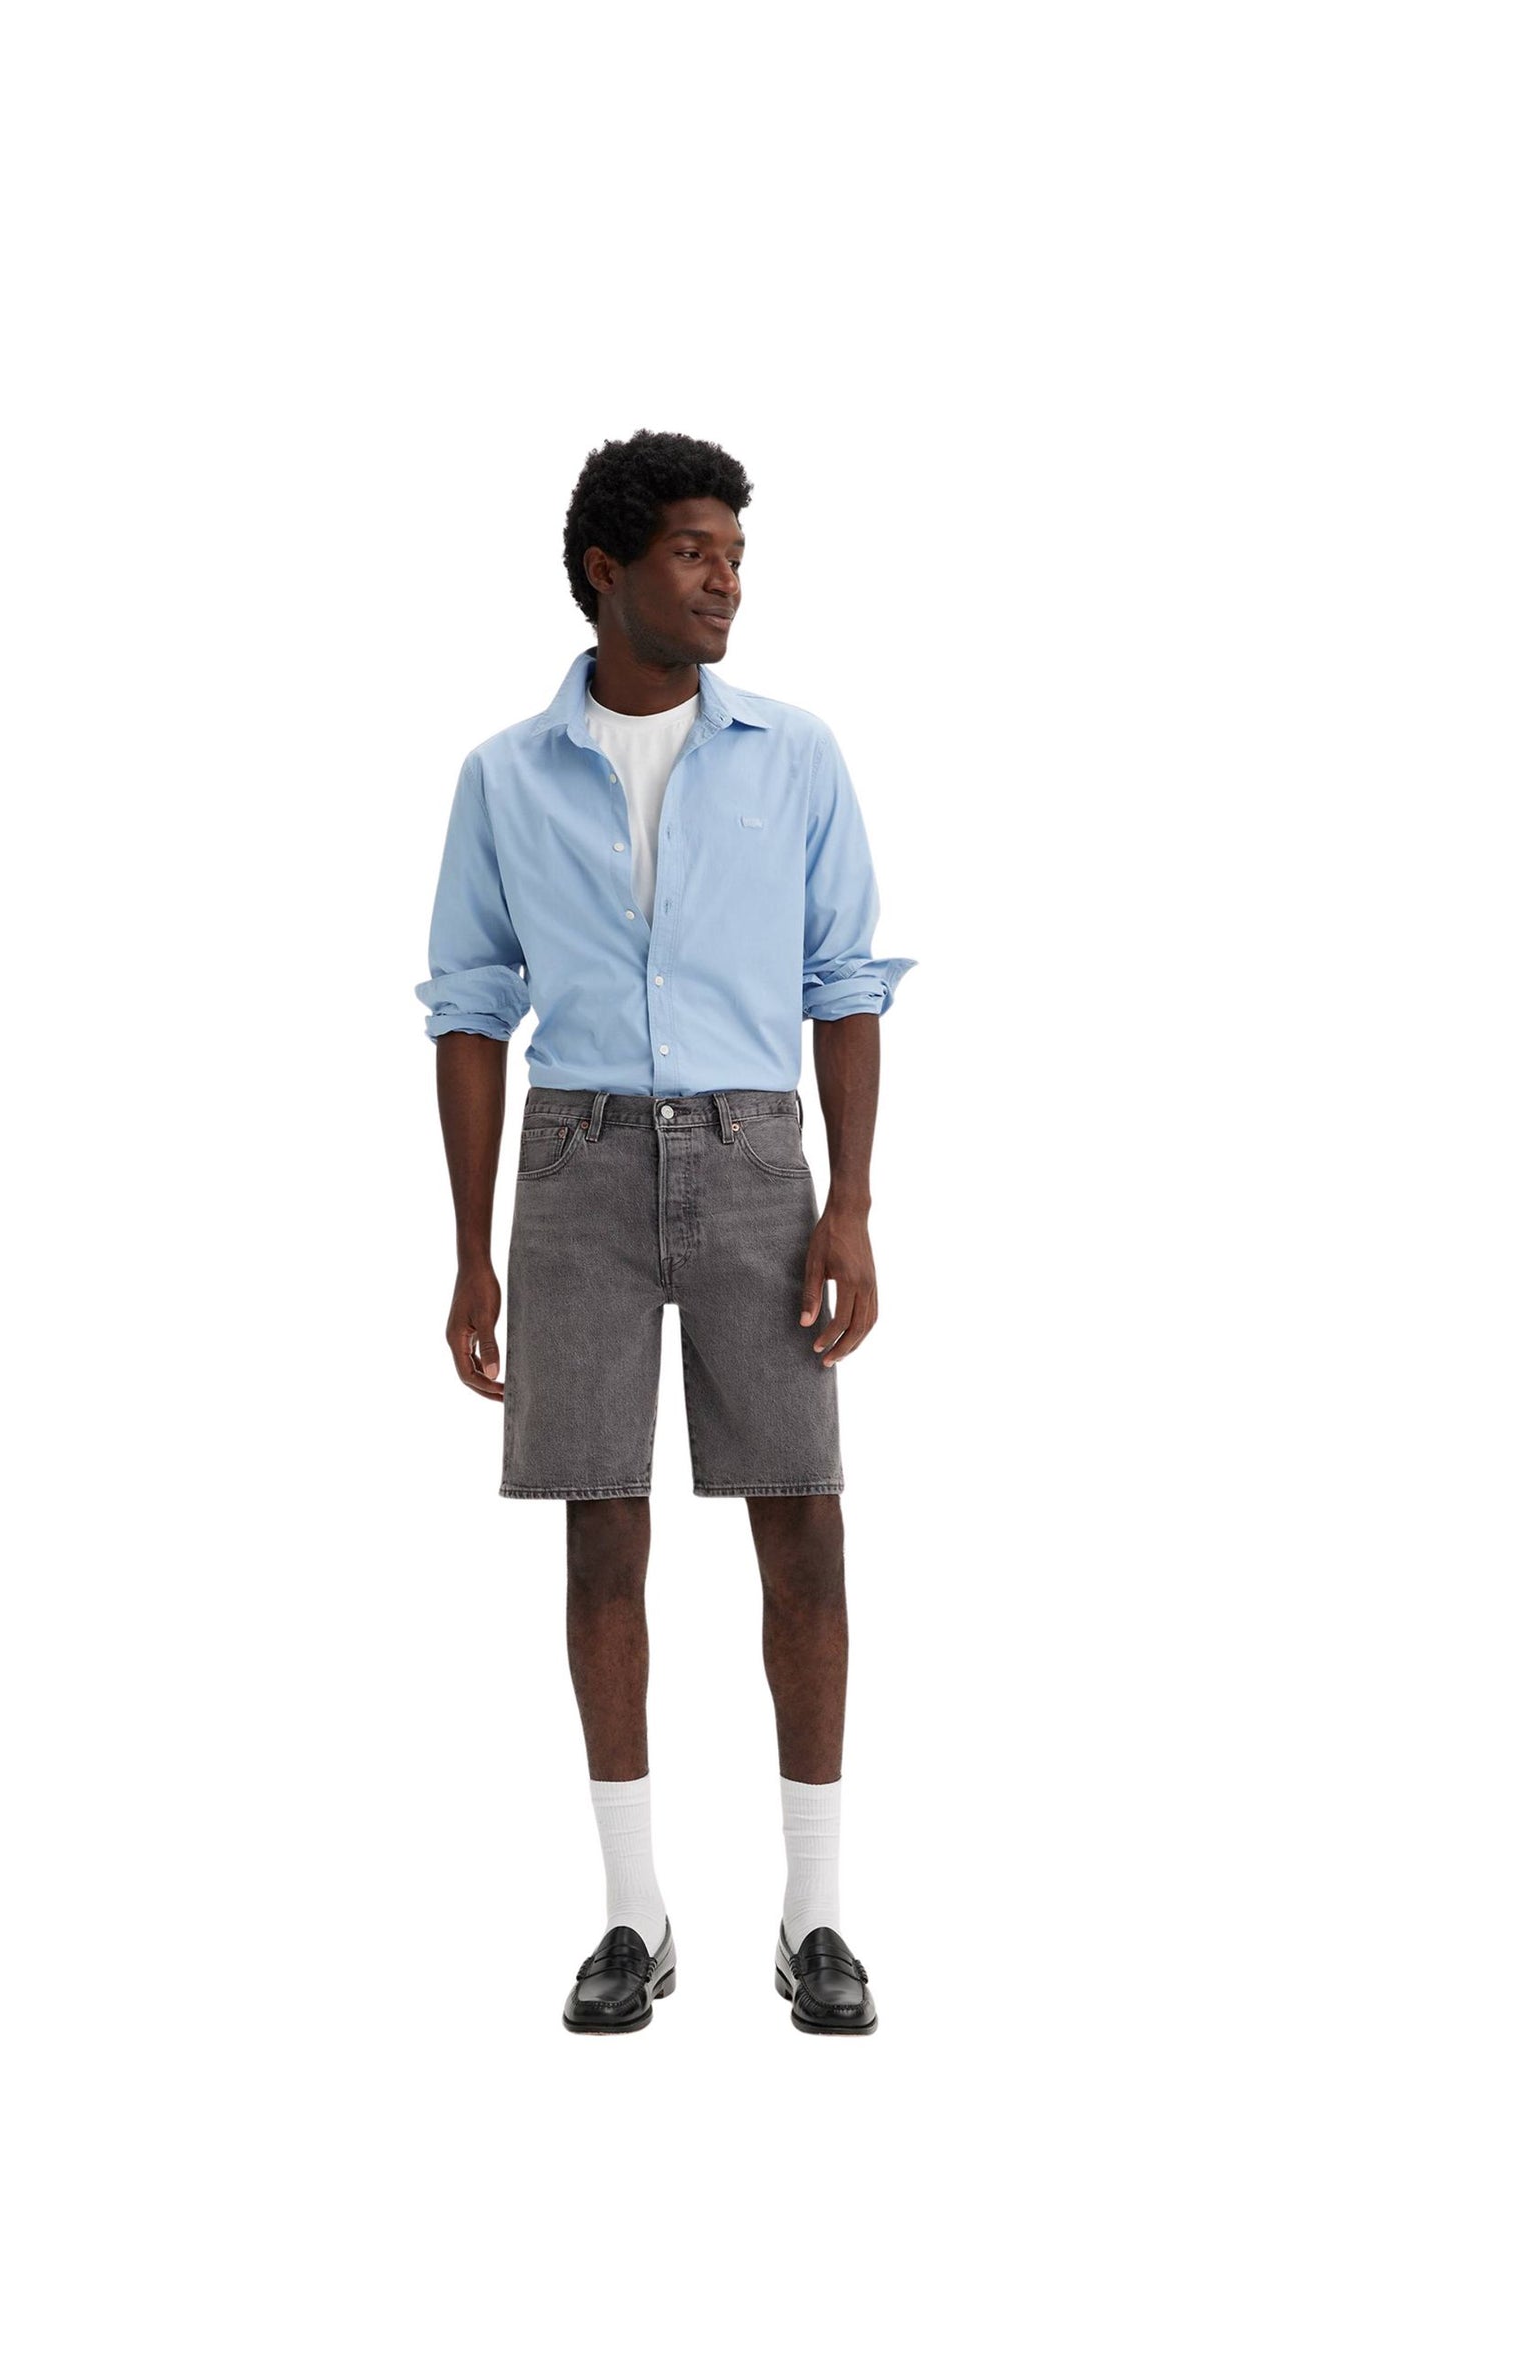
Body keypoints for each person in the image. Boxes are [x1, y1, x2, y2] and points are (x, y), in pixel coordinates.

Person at [415, 430, 914, 2035]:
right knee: (601, 1527)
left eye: (736, 555)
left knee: (804, 1521)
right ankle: (632, 1917)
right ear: (605, 570)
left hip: (757, 1154)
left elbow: (844, 981)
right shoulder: (503, 776)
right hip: (575, 1166)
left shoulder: (795, 755)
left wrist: (850, 1203)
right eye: (695, 552)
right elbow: (470, 1008)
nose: (726, 583)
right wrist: (473, 1248)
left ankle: (815, 1916)